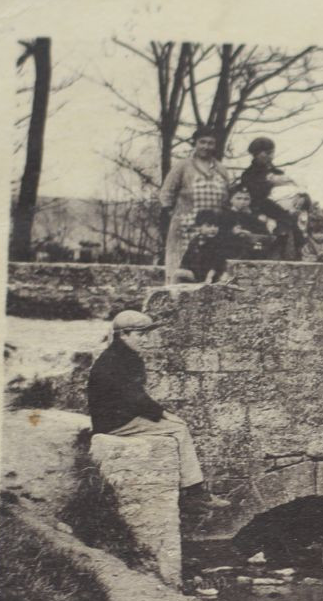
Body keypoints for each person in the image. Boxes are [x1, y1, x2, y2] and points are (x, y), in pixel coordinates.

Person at [87, 310, 227, 509]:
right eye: (140, 334)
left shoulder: (118, 356)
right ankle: (194, 492)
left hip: (117, 417)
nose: (145, 340)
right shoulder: (121, 360)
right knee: (179, 428)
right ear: (124, 334)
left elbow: (133, 397)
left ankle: (190, 490)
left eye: (147, 335)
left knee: (176, 424)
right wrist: (162, 414)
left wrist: (159, 414)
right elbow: (134, 398)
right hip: (114, 423)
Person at [157, 129, 229, 286]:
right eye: (202, 142)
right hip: (185, 227)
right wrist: (175, 216)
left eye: (210, 143)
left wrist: (217, 224)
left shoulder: (221, 169)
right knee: (181, 268)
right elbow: (166, 194)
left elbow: (226, 200)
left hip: (211, 229)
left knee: (210, 268)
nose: (206, 146)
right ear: (195, 143)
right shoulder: (182, 166)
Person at [237, 137, 295, 252]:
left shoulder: (277, 171)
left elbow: (290, 186)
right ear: (256, 154)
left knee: (290, 223)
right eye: (267, 153)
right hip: (259, 209)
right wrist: (270, 183)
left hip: (280, 208)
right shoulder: (248, 174)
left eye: (272, 153)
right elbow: (254, 194)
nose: (270, 157)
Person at [178, 213, 227, 283]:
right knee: (178, 273)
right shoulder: (195, 241)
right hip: (195, 274)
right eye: (208, 226)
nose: (213, 229)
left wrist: (210, 276)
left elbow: (218, 262)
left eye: (216, 226)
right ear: (199, 227)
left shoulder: (219, 242)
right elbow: (186, 259)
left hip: (213, 274)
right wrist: (184, 269)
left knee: (224, 278)